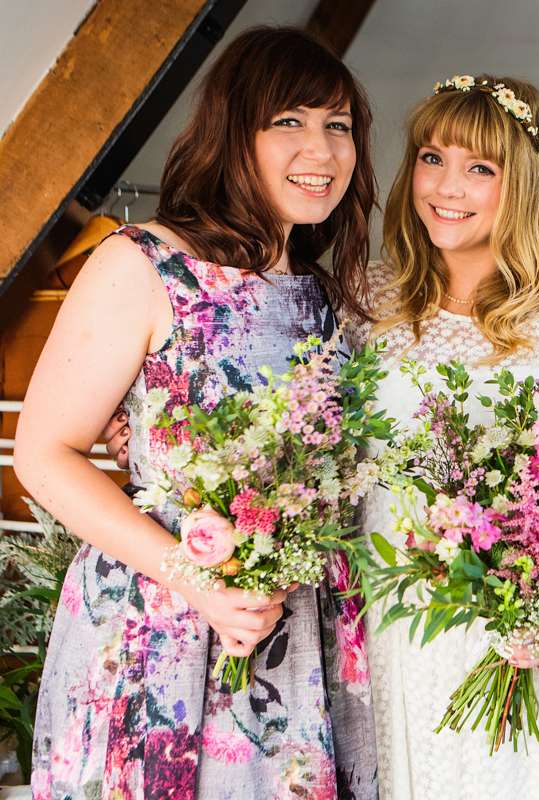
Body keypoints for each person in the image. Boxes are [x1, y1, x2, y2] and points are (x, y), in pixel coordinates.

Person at [15, 27, 378, 800]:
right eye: (288, 120)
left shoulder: (323, 294)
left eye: (338, 125)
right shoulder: (145, 263)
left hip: (298, 633)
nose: (320, 148)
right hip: (165, 624)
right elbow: (44, 455)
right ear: (232, 132)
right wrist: (199, 581)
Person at [340, 74, 539, 800]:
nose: (448, 186)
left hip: (536, 630)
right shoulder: (367, 297)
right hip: (400, 618)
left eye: (480, 167)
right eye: (432, 158)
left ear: (523, 184)